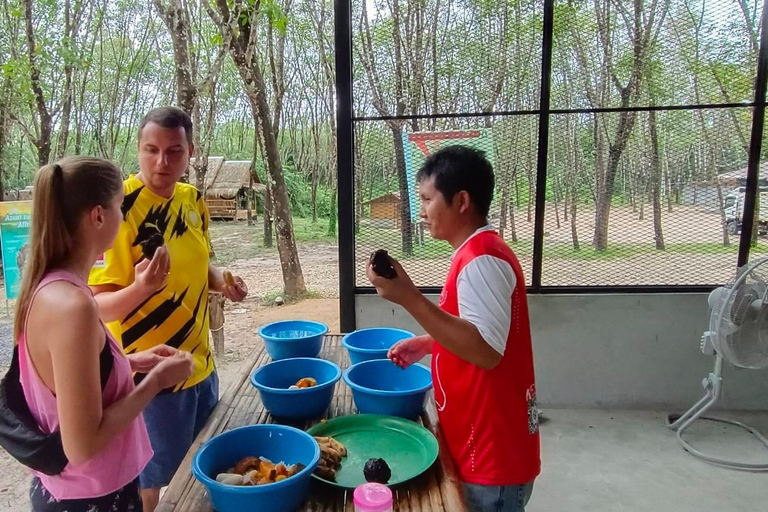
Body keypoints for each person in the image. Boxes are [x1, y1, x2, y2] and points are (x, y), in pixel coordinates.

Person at [89, 106, 248, 512]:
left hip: (199, 364)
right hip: (150, 377)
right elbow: (97, 307)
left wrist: (223, 280)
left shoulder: (193, 199)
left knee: (201, 467)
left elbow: (200, 264)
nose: (162, 161)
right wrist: (142, 288)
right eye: (151, 150)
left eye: (174, 151)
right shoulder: (119, 208)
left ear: (190, 152)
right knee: (153, 485)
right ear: (138, 150)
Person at [15, 157, 194, 511]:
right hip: (90, 498)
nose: (124, 217)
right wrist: (155, 381)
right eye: (119, 207)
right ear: (98, 215)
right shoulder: (73, 306)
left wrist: (128, 363)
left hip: (66, 490)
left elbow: (65, 380)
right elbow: (81, 444)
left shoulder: (51, 287)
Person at [368, 146, 540, 512]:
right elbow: (484, 332)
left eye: (428, 199)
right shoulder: (472, 252)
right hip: (476, 444)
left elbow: (487, 352)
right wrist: (432, 344)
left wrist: (410, 298)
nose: (422, 212)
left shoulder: (482, 260)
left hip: (492, 458)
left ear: (461, 201)